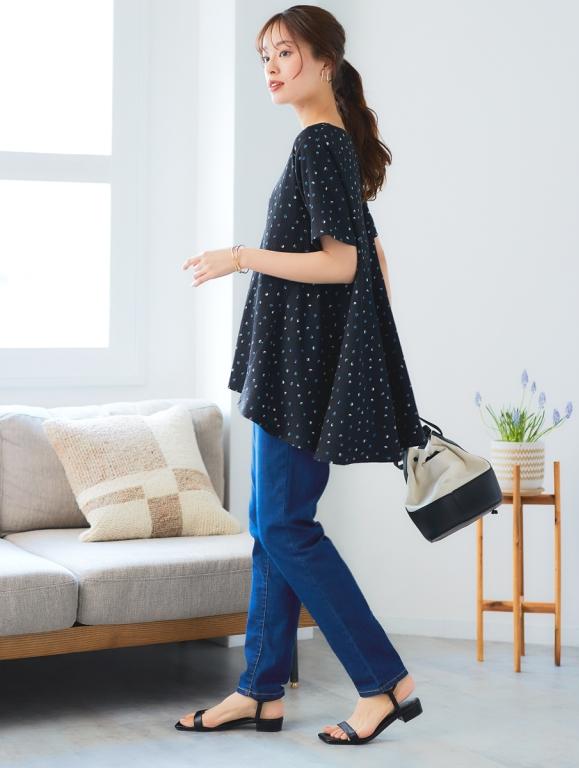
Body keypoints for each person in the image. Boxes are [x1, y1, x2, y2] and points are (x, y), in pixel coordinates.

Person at [177, 5, 424, 745]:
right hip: (300, 364)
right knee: (271, 525)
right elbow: (372, 258)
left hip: (299, 369)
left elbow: (342, 263)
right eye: (265, 57)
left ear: (325, 62)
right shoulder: (328, 141)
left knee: (286, 525)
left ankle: (383, 681)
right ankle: (260, 690)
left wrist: (240, 257)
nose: (272, 68)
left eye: (285, 53)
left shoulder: (320, 142)